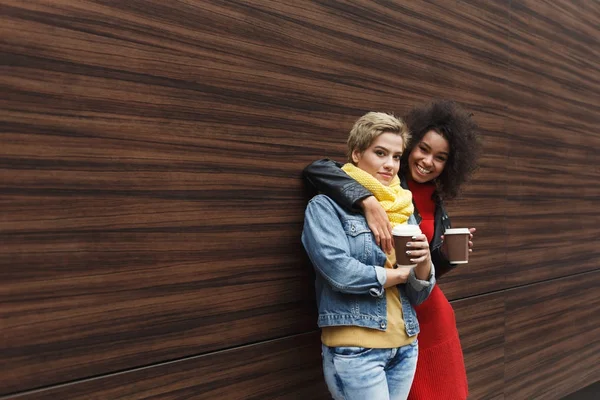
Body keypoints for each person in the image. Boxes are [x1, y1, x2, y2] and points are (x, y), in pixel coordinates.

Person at [303, 100, 481, 400]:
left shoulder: (423, 205)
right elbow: (317, 169)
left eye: (440, 157)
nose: (427, 161)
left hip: (417, 314)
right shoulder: (363, 188)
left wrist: (444, 256)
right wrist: (366, 201)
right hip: (373, 323)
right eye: (423, 149)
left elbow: (418, 267)